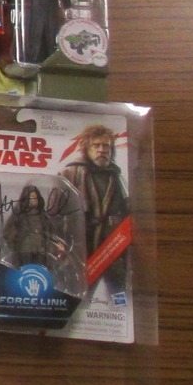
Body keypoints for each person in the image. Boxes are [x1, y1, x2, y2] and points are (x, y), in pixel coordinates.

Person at [60, 124, 129, 291]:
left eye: (106, 146)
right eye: (96, 145)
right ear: (86, 148)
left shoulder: (118, 177)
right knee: (78, 292)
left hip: (111, 246)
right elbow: (55, 213)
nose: (101, 150)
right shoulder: (70, 174)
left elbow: (127, 212)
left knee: (118, 294)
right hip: (81, 245)